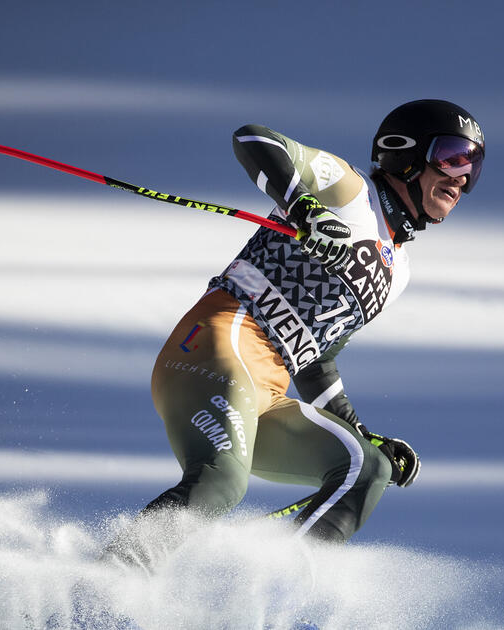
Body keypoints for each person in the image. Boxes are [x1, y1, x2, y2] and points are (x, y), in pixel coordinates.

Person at [109, 99, 485, 561]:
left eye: (474, 165)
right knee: (222, 481)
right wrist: (303, 206)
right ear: (404, 153)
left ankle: (273, 597)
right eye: (453, 156)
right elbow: (254, 138)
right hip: (220, 341)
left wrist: (360, 431)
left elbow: (316, 357)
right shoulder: (350, 189)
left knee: (366, 469)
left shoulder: (398, 270)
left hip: (265, 386)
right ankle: (104, 589)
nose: (462, 176)